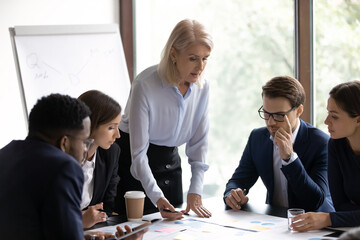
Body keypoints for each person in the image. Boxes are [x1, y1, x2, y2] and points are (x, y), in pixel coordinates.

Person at [0, 94, 146, 240]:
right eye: (83, 141)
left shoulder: (6, 154)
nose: (85, 148)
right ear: (64, 143)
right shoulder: (62, 167)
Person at [114, 19, 213, 219]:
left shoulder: (203, 88)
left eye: (205, 58)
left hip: (171, 163)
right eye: (193, 58)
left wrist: (195, 190)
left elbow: (199, 145)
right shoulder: (145, 84)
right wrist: (157, 197)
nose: (200, 66)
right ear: (174, 54)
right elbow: (139, 155)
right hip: (134, 165)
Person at [224, 76, 334, 213]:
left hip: (316, 225)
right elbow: (239, 180)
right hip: (275, 221)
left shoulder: (322, 143)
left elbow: (315, 201)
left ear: (299, 111)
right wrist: (232, 194)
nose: (270, 122)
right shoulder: (257, 138)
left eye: (279, 115)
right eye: (266, 113)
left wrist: (290, 158)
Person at [291, 80, 360, 232]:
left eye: (334, 116)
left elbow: (340, 212)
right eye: (328, 113)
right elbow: (340, 205)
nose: (326, 121)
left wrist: (328, 219)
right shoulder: (336, 144)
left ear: (358, 119)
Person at [78, 90, 122, 229]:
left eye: (118, 126)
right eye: (111, 127)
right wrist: (78, 221)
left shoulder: (111, 153)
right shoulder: (60, 158)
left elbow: (106, 206)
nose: (118, 135)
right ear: (89, 125)